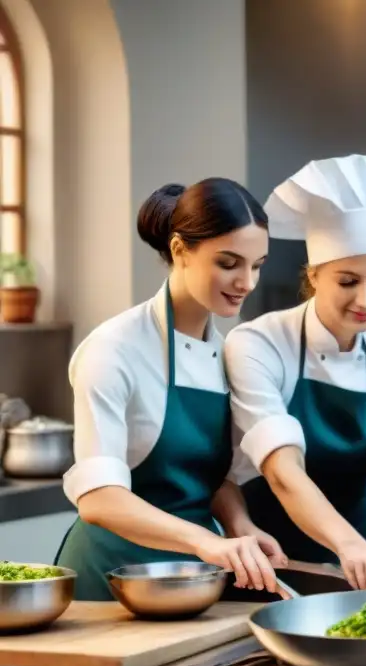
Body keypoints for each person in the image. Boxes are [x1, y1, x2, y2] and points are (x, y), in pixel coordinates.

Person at [223, 155, 366, 591]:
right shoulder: (259, 344)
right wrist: (347, 545)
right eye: (348, 281)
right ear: (314, 274)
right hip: (274, 539)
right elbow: (281, 469)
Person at [57, 179, 287, 601]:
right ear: (180, 250)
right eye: (229, 262)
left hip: (191, 580)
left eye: (257, 265)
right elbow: (98, 499)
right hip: (110, 578)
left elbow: (209, 477)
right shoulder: (114, 349)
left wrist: (240, 526)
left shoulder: (228, 352)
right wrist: (207, 542)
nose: (246, 282)